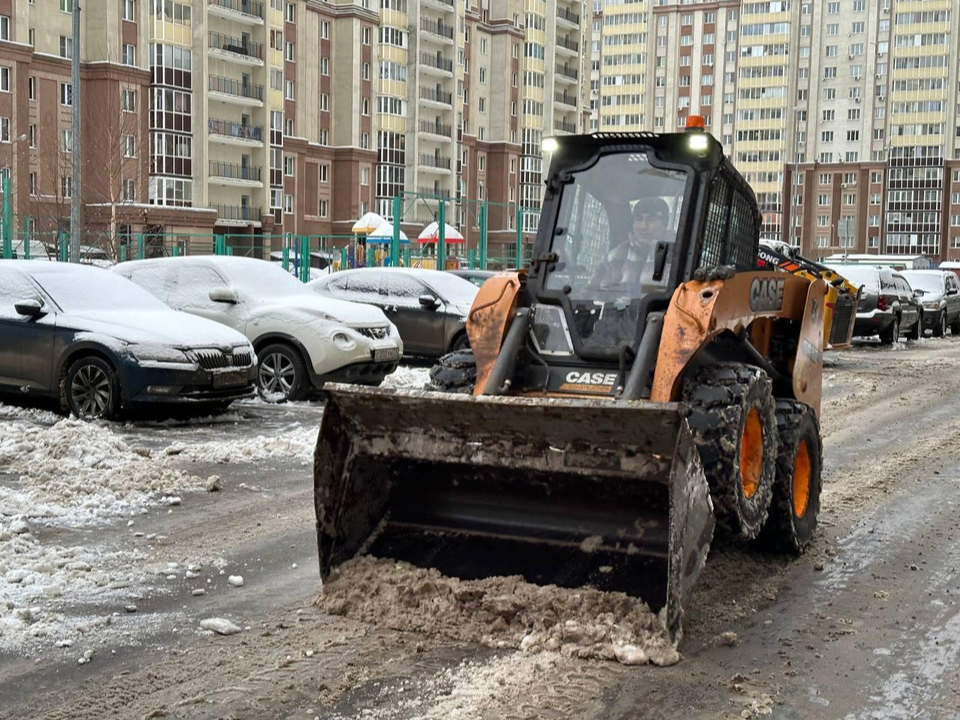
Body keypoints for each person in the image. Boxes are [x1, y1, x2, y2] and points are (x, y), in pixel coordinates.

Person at [586, 197, 672, 292]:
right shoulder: (615, 257)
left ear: (665, 223)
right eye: (638, 219)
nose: (643, 226)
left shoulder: (676, 256)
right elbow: (589, 293)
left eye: (651, 219)